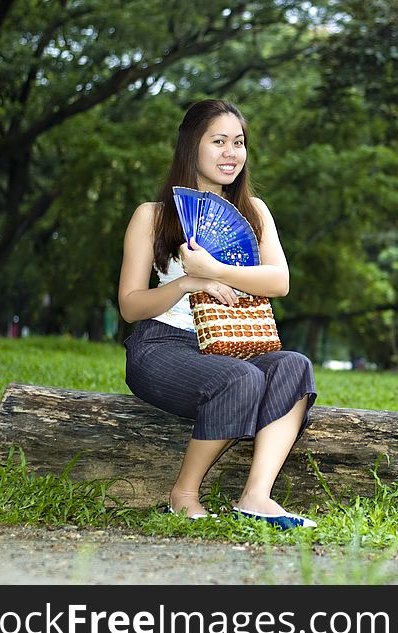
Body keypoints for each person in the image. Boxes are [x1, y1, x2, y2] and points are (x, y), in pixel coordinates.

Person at [117, 99, 317, 530]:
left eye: (239, 143)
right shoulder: (152, 217)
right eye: (219, 142)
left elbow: (278, 281)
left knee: (294, 366)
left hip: (232, 342)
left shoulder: (254, 211)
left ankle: (256, 496)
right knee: (241, 378)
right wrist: (187, 283)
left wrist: (215, 270)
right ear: (192, 146)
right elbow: (130, 305)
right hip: (162, 347)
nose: (232, 153)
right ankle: (183, 493)